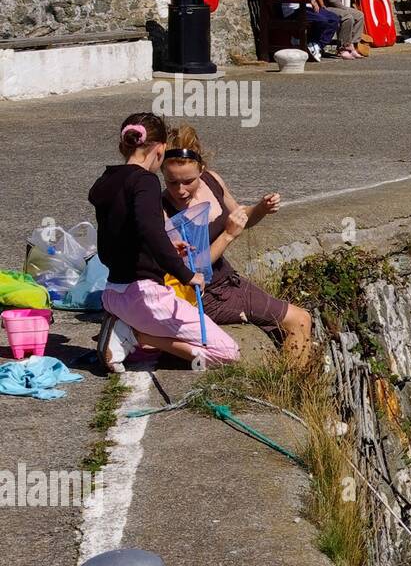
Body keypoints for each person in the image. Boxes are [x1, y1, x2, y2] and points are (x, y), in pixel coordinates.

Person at [88, 114, 239, 373]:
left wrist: (169, 248)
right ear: (159, 149)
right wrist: (187, 274)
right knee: (227, 353)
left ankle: (128, 328)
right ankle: (137, 335)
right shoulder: (144, 181)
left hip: (113, 293)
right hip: (145, 297)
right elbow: (150, 231)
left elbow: (126, 233)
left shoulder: (106, 180)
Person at [160, 126, 312, 365]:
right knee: (299, 319)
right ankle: (294, 388)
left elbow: (241, 218)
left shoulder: (213, 181)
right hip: (202, 295)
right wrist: (227, 237)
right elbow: (190, 268)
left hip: (227, 281)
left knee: (290, 323)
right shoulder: (164, 210)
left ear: (201, 169)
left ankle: (291, 386)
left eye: (188, 181)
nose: (180, 190)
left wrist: (260, 209)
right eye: (171, 182)